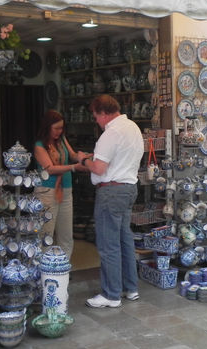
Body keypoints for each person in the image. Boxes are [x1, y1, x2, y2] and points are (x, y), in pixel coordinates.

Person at [77, 95, 144, 308]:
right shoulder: (132, 127)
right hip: (128, 188)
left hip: (111, 191)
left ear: (104, 113)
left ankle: (111, 294)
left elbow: (99, 168)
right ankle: (130, 288)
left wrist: (84, 160)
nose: (96, 120)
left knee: (108, 245)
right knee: (124, 240)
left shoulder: (111, 133)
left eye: (96, 116)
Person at [33, 110, 87, 259]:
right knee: (46, 232)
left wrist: (85, 158)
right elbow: (50, 169)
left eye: (61, 128)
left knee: (66, 232)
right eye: (56, 128)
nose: (59, 131)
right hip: (47, 191)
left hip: (66, 190)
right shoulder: (39, 146)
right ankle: (45, 265)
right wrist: (73, 167)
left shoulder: (61, 139)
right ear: (47, 127)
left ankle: (64, 264)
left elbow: (73, 155)